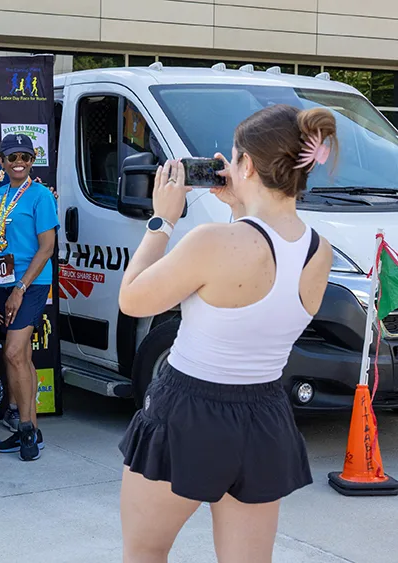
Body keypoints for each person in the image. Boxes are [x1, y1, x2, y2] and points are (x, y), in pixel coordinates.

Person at [117, 105, 334, 563]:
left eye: (234, 160)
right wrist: (242, 206)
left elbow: (132, 299)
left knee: (144, 554)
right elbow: (259, 283)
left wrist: (162, 221)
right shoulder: (320, 250)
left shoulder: (214, 240)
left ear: (248, 166)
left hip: (188, 410)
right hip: (265, 415)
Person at [0, 134, 58, 462]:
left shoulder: (41, 196)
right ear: (2, 159)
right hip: (0, 281)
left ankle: (25, 429)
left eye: (25, 157)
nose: (18, 163)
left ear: (32, 160)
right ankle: (32, 431)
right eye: (12, 157)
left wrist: (20, 289)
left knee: (12, 353)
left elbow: (47, 248)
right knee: (22, 356)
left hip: (31, 283)